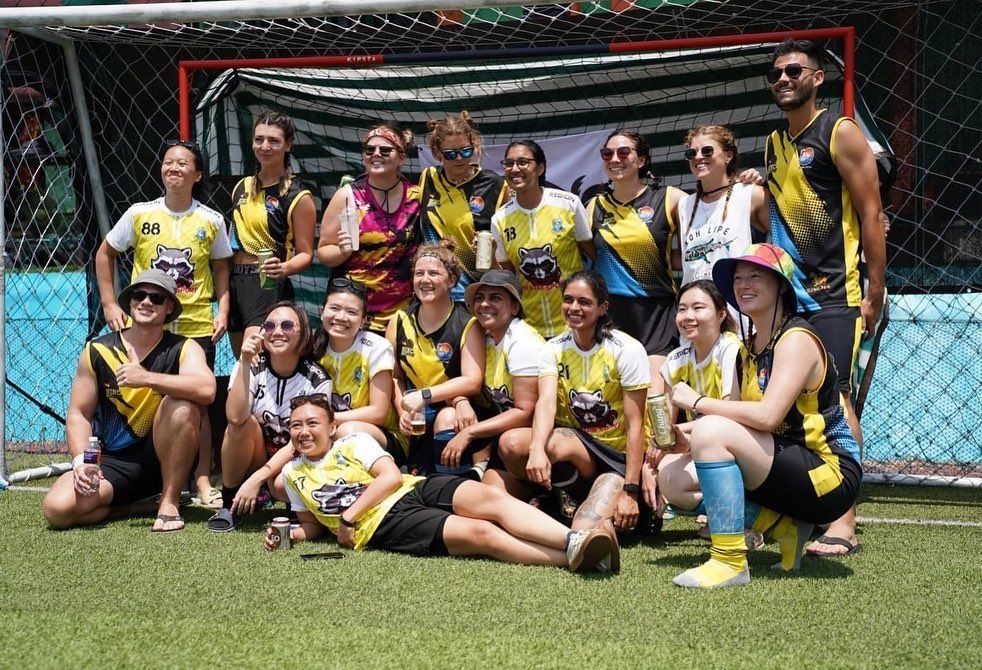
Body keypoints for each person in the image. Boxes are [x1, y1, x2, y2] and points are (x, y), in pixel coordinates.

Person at [667, 243, 861, 589]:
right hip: (784, 464)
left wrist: (698, 402)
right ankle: (785, 529)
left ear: (781, 286)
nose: (744, 284)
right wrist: (685, 435)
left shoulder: (796, 339)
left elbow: (768, 416)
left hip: (828, 476)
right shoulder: (747, 349)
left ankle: (728, 562)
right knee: (671, 477)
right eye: (738, 278)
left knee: (710, 431)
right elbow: (733, 422)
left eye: (755, 276)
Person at [764, 38, 886, 557]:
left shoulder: (841, 132)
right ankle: (799, 506)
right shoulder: (772, 142)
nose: (783, 79)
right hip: (789, 299)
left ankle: (843, 522)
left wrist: (875, 288)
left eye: (794, 70)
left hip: (838, 293)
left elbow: (872, 212)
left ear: (817, 78)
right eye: (776, 73)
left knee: (837, 400)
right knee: (791, 400)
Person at [268, 394, 616, 573]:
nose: (303, 431)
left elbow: (390, 477)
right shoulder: (292, 474)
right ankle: (574, 557)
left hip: (413, 487)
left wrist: (347, 518)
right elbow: (313, 525)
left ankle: (574, 540)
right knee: (482, 534)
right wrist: (290, 534)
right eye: (296, 425)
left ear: (331, 427)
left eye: (312, 423)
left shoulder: (352, 442)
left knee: (490, 499)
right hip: (384, 525)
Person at [94, 139, 231, 507]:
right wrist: (109, 302)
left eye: (183, 163)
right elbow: (105, 254)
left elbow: (221, 267)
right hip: (148, 326)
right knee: (142, 394)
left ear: (197, 174)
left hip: (195, 325)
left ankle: (202, 478)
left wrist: (222, 308)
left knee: (197, 402)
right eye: (169, 161)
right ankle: (149, 473)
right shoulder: (139, 213)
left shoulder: (212, 220)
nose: (174, 168)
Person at [43, 270, 215, 532]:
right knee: (57, 510)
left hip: (165, 460)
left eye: (157, 298)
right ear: (130, 301)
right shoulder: (97, 350)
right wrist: (81, 462)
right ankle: (133, 507)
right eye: (139, 295)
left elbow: (207, 389)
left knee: (183, 406)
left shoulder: (184, 347)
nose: (146, 302)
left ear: (169, 307)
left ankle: (169, 502)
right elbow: (79, 414)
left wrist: (146, 378)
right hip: (113, 463)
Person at [498, 271, 649, 566]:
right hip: (579, 447)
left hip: (616, 458)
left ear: (603, 307)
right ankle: (554, 496)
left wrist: (631, 490)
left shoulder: (627, 349)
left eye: (585, 302)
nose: (574, 308)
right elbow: (545, 404)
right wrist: (537, 450)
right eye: (568, 300)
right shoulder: (553, 347)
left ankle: (624, 508)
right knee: (512, 443)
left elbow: (636, 426)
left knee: (583, 530)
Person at [207, 302, 331, 531]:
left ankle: (290, 502)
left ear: (303, 333)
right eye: (270, 326)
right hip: (256, 457)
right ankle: (229, 502)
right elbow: (234, 417)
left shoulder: (317, 379)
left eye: (287, 326)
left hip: (294, 461)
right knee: (242, 425)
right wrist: (244, 362)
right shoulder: (251, 365)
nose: (277, 332)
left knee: (299, 450)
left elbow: (305, 441)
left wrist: (259, 478)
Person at [587, 129, 684, 393]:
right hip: (611, 316)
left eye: (623, 152)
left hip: (656, 315)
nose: (614, 159)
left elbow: (708, 221)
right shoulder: (594, 206)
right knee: (617, 403)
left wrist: (741, 184)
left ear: (641, 160)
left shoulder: (669, 198)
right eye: (607, 153)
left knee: (656, 403)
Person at [387, 242, 486, 475]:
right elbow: (395, 377)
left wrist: (425, 395)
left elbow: (473, 381)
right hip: (416, 413)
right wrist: (403, 411)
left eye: (433, 273)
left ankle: (452, 487)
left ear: (452, 281)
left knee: (448, 417)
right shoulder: (399, 321)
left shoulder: (467, 323)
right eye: (419, 273)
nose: (425, 279)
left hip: (454, 409)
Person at [650, 280, 743, 517]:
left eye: (698, 308)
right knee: (663, 472)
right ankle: (728, 511)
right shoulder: (675, 360)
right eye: (682, 309)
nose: (688, 316)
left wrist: (680, 427)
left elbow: (731, 415)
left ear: (721, 314)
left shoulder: (731, 349)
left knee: (672, 478)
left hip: (734, 442)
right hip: (697, 443)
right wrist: (654, 452)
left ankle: (753, 515)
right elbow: (666, 426)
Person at [318, 123, 422, 333]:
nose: (376, 154)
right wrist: (342, 251)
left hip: (402, 315)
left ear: (401, 157)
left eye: (385, 150)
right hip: (353, 313)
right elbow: (324, 252)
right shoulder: (347, 196)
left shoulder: (417, 197)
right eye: (369, 150)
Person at [228, 111, 316, 355]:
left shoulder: (298, 195)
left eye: (274, 141)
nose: (264, 146)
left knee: (253, 357)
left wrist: (283, 269)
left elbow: (306, 254)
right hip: (234, 282)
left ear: (288, 145)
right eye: (259, 139)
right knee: (240, 362)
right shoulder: (241, 186)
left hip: (266, 284)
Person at [491, 140, 595, 339]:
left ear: (540, 168)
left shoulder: (569, 204)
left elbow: (593, 255)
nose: (515, 169)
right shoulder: (500, 219)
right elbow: (508, 275)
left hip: (574, 324)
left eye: (523, 162)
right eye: (509, 163)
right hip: (529, 328)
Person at [456, 270, 544, 491]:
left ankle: (554, 491)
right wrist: (460, 401)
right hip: (507, 435)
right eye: (480, 298)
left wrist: (469, 433)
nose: (485, 304)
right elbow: (466, 382)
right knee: (485, 497)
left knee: (510, 443)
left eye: (495, 298)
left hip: (537, 436)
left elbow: (526, 413)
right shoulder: (485, 336)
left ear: (514, 307)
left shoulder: (522, 341)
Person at [677, 126, 770, 333]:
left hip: (740, 319)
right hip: (696, 322)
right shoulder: (684, 205)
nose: (698, 157)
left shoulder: (751, 194)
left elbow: (780, 247)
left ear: (728, 155)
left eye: (707, 151)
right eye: (691, 153)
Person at [312, 277, 407, 462]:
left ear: (363, 321)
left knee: (346, 432)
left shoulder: (377, 347)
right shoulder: (313, 347)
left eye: (351, 312)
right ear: (322, 312)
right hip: (326, 430)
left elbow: (378, 412)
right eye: (334, 308)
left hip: (383, 435)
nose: (341, 317)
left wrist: (324, 419)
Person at [419, 111, 510, 302]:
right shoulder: (428, 178)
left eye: (466, 151)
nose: (459, 158)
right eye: (450, 154)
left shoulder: (494, 184)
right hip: (434, 288)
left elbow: (509, 244)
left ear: (474, 145)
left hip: (478, 291)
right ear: (437, 152)